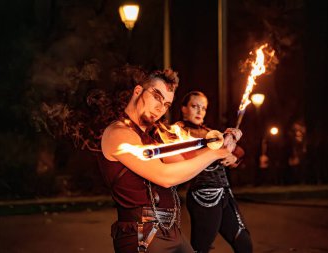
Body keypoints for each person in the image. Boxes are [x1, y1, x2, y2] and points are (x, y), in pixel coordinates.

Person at [97, 68, 239, 253]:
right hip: (142, 236)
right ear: (138, 91)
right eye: (156, 96)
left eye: (166, 104)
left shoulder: (155, 134)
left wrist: (220, 142)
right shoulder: (119, 134)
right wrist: (215, 154)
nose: (160, 108)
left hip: (171, 231)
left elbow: (184, 161)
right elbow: (165, 176)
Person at [176, 91, 253, 253]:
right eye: (194, 106)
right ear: (183, 109)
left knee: (244, 244)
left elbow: (239, 152)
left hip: (225, 193)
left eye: (203, 108)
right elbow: (188, 155)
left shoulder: (211, 131)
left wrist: (233, 157)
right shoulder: (177, 132)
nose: (199, 111)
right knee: (200, 249)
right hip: (204, 196)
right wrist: (221, 147)